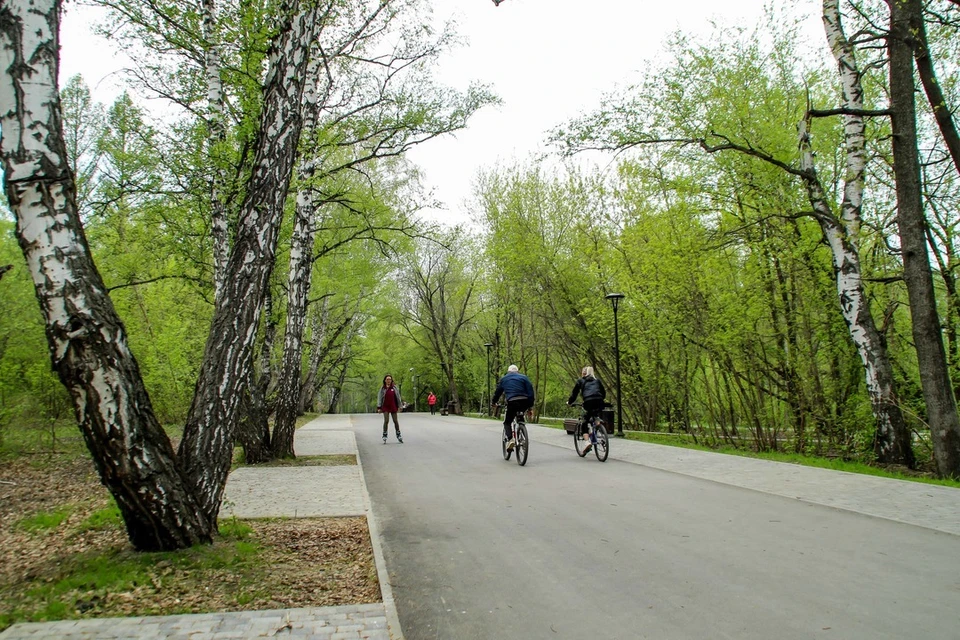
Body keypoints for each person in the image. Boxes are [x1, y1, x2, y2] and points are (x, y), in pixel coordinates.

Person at [491, 364, 535, 451]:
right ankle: (522, 433)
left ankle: (511, 439)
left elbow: (498, 392)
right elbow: (530, 392)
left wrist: (494, 402)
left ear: (508, 372)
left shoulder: (504, 379)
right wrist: (530, 406)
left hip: (512, 401)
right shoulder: (524, 378)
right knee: (520, 416)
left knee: (507, 422)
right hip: (524, 401)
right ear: (517, 371)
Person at [567, 366, 606, 454]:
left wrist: (569, 402)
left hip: (588, 401)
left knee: (585, 421)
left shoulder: (580, 381)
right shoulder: (597, 380)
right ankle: (600, 432)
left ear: (583, 374)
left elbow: (574, 394)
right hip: (599, 401)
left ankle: (587, 442)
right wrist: (600, 398)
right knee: (595, 415)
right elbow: (603, 393)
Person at [377, 374, 403, 444]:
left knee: (395, 421)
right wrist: (379, 407)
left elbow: (398, 397)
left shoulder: (394, 388)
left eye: (390, 379)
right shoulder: (383, 388)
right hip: (385, 407)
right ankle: (385, 434)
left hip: (393, 406)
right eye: (387, 379)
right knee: (386, 421)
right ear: (385, 380)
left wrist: (400, 406)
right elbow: (379, 398)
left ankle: (398, 434)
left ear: (391, 380)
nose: (389, 381)